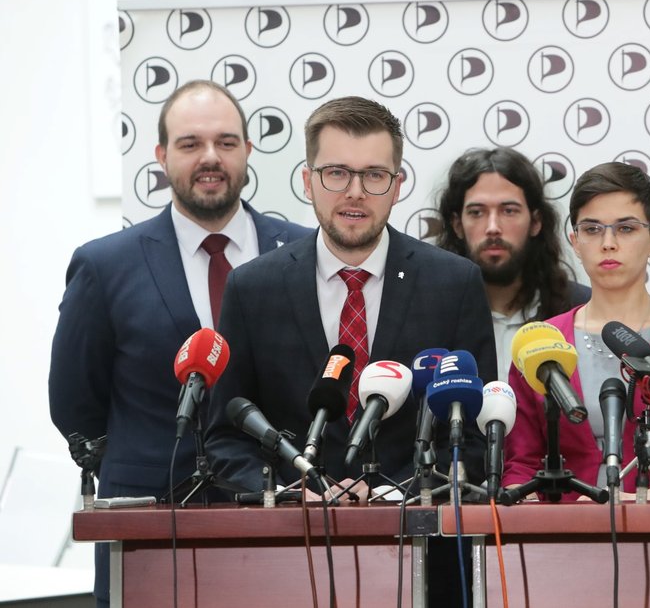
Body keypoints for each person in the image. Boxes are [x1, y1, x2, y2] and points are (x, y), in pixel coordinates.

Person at [48, 80, 312, 607]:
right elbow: (75, 402)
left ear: (248, 153)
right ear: (162, 156)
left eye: (226, 142)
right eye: (191, 144)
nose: (210, 157)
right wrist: (142, 461)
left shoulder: (306, 254)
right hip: (148, 534)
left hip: (283, 525)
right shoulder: (105, 265)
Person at [204, 95, 495, 495]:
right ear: (308, 182)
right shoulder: (252, 289)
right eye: (336, 173)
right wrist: (285, 495)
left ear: (396, 186)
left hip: (417, 537)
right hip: (291, 538)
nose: (355, 192)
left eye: (374, 175)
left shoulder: (453, 283)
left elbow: (479, 434)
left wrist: (394, 494)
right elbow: (225, 436)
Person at [503, 162, 650, 499]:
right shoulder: (541, 341)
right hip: (556, 539)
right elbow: (520, 465)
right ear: (575, 241)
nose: (608, 243)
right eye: (592, 229)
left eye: (626, 228)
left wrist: (642, 502)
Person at [435, 146, 591, 380]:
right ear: (457, 225)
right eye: (477, 212)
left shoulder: (582, 311)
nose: (493, 228)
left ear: (536, 222)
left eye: (509, 210)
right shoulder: (431, 314)